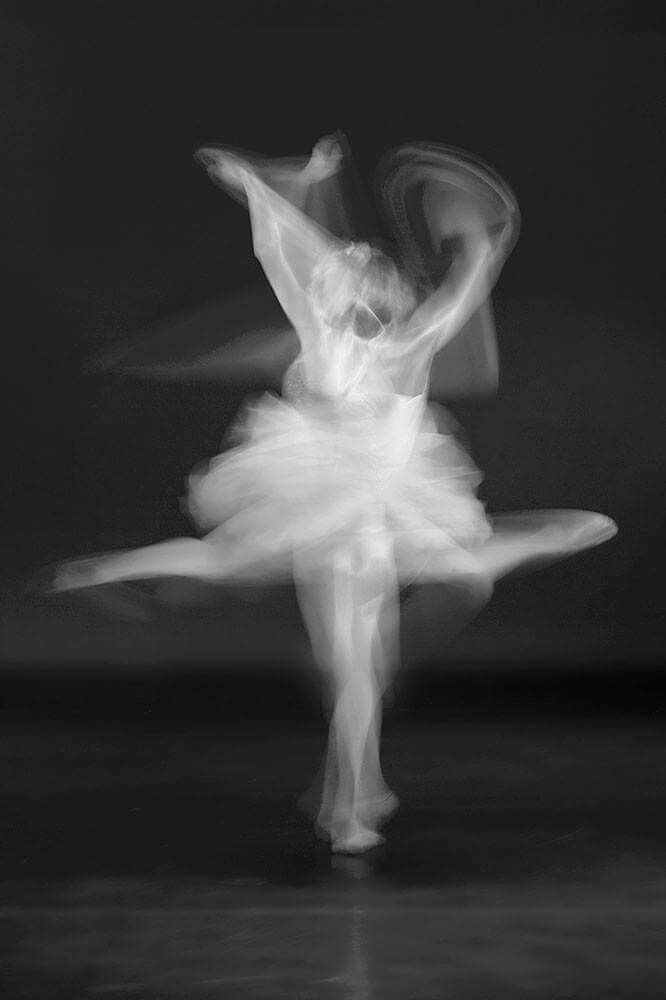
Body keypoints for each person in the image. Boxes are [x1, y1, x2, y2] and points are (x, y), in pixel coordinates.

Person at [52, 136, 617, 853]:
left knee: (322, 627)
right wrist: (479, 244)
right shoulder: (378, 344)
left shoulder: (344, 343)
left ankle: (351, 797)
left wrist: (266, 192)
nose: (350, 288)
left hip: (360, 507)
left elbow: (296, 261)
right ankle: (351, 805)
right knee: (360, 659)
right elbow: (363, 276)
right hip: (347, 514)